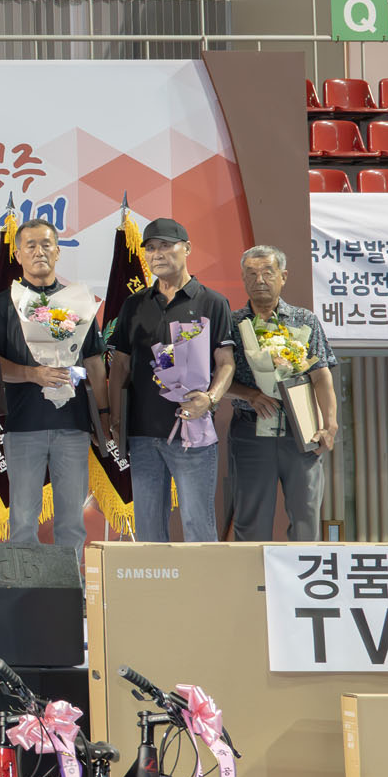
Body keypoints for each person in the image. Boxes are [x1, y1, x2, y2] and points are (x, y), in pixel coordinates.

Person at [105, 218, 235, 543]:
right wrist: (115, 418)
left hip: (192, 432)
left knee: (197, 524)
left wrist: (211, 398)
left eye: (165, 245)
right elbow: (120, 365)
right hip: (142, 434)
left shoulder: (212, 302)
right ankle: (155, 580)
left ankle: (203, 580)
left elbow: (226, 362)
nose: (157, 254)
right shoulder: (134, 304)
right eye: (150, 248)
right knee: (148, 527)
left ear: (187, 248)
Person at [0, 218, 107, 552]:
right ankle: (25, 582)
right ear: (18, 254)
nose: (39, 252)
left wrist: (104, 415)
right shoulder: (3, 303)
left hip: (73, 424)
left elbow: (94, 362)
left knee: (72, 520)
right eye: (31, 245)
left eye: (46, 244)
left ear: (58, 251)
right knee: (23, 519)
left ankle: (72, 582)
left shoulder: (78, 301)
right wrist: (32, 374)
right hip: (23, 425)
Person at [224, 244, 337, 542]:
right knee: (250, 517)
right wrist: (250, 395)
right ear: (243, 278)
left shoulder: (305, 320)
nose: (259, 280)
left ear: (283, 276)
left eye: (267, 272)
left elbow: (321, 375)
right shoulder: (232, 323)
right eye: (251, 273)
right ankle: (249, 573)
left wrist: (329, 425)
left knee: (306, 514)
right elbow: (219, 379)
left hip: (301, 431)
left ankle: (306, 570)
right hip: (250, 430)